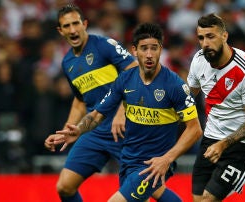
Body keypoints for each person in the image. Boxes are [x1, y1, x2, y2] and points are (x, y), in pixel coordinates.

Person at [53, 23, 203, 202]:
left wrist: (167, 159)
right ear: (134, 50)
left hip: (153, 164)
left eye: (154, 48)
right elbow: (98, 114)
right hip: (129, 161)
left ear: (160, 50)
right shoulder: (124, 80)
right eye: (144, 48)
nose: (149, 54)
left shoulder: (175, 86)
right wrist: (78, 130)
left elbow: (195, 130)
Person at [43, 4, 138, 202]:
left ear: (84, 24)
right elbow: (79, 101)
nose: (73, 30)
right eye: (66, 26)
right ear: (60, 31)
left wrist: (122, 111)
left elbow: (135, 71)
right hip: (95, 130)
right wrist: (67, 131)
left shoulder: (104, 45)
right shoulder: (67, 62)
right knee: (64, 187)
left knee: (146, 191)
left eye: (76, 23)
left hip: (125, 128)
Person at [187, 13, 245, 202]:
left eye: (211, 36)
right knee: (197, 199)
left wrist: (223, 144)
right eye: (201, 38)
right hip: (211, 137)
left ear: (224, 36)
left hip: (241, 144)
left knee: (208, 199)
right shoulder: (198, 60)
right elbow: (190, 94)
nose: (205, 43)